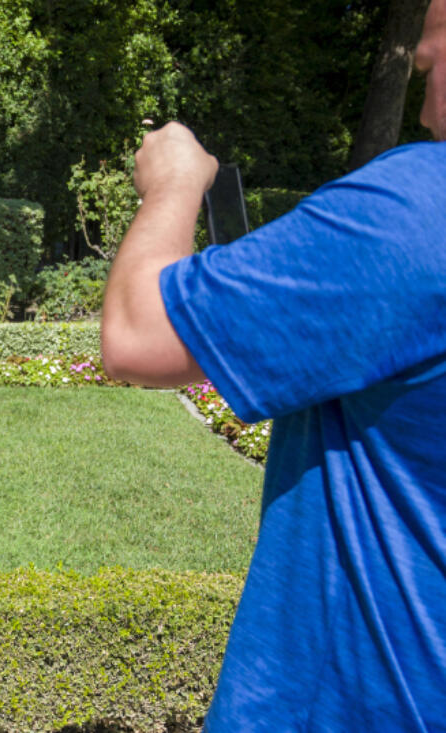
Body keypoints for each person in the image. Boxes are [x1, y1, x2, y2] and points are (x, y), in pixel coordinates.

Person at [101, 2, 446, 729]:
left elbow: (138, 333)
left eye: (431, 43)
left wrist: (173, 187)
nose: (419, 66)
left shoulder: (419, 211)